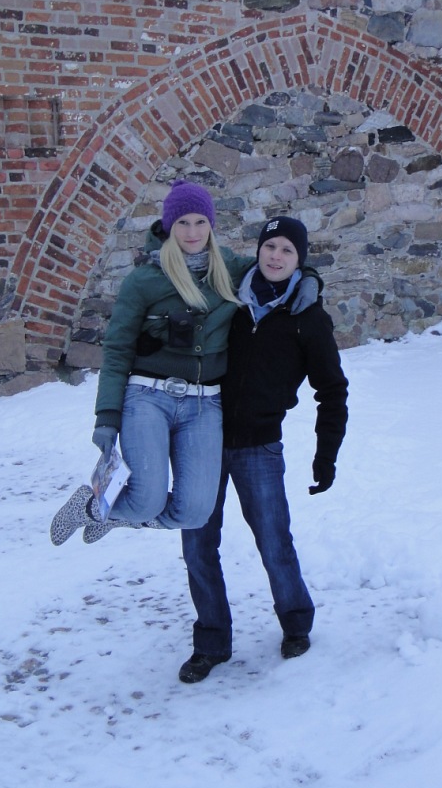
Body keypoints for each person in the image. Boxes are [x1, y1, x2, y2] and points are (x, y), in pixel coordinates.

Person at [50, 184, 318, 546]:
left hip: (204, 405)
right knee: (146, 500)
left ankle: (109, 512)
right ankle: (92, 505)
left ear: (211, 225)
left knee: (194, 513)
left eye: (200, 222)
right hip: (148, 398)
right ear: (169, 226)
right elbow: (116, 350)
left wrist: (310, 278)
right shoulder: (144, 280)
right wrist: (107, 416)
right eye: (183, 223)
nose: (192, 232)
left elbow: (277, 264)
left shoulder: (231, 268)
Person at [178, 216, 348, 684]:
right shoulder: (226, 298)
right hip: (203, 441)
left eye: (287, 250)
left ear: (300, 260)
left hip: (260, 447)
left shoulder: (308, 319)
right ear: (258, 250)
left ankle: (296, 623)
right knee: (197, 545)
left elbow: (332, 391)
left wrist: (326, 455)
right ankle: (211, 640)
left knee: (274, 542)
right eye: (270, 246)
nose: (275, 256)